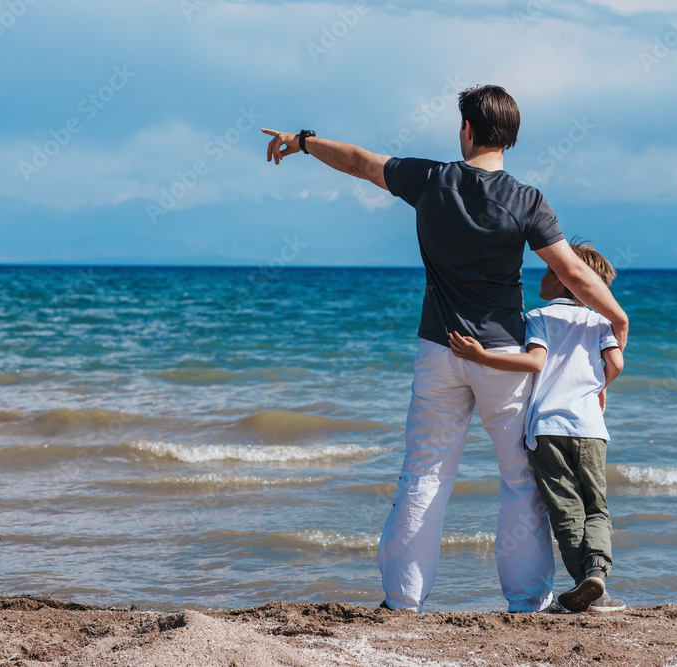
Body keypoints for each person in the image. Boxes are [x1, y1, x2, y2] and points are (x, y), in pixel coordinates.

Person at [262, 85, 628, 613]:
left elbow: (362, 162)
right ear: (512, 137)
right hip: (503, 354)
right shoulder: (526, 199)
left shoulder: (431, 179)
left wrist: (302, 141)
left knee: (425, 471)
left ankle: (403, 597)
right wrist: (615, 314)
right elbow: (572, 271)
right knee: (520, 477)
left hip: (438, 349)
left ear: (467, 130)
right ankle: (527, 600)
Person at [448, 240, 625, 613]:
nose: (542, 276)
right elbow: (617, 363)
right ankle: (598, 575)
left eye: (548, 271)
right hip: (591, 429)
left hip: (548, 428)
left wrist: (480, 355)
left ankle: (585, 583)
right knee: (596, 507)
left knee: (566, 511)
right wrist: (600, 387)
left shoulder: (539, 317)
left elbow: (534, 363)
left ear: (564, 280)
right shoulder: (600, 321)